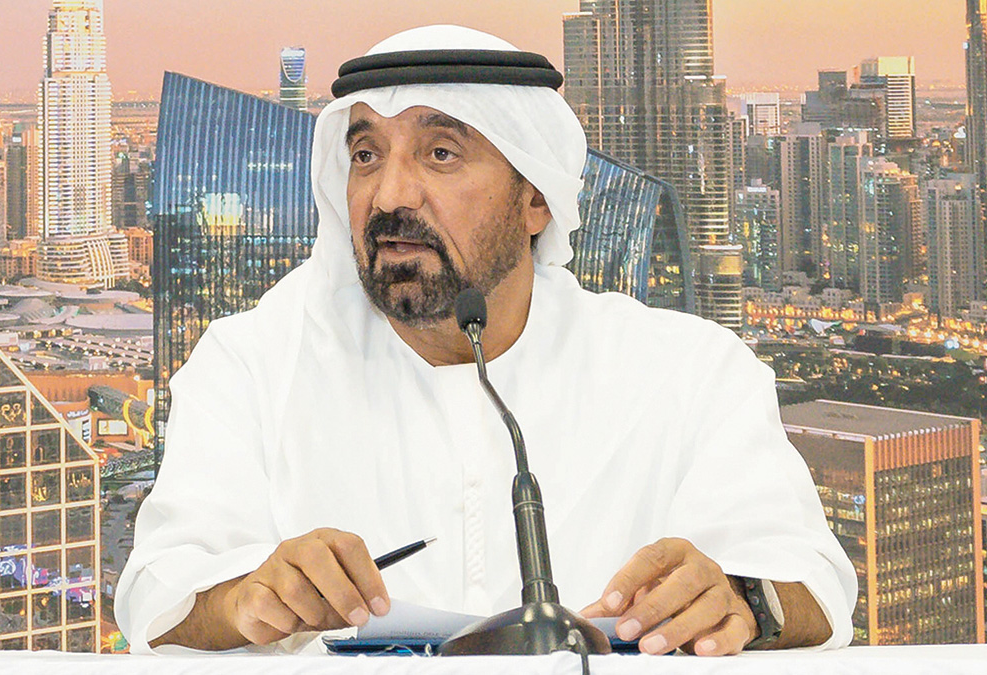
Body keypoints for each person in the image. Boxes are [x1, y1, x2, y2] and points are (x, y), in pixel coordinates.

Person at [117, 25, 857, 656]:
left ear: (535, 197)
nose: (390, 194)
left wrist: (742, 599)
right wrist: (243, 597)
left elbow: (817, 589)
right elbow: (157, 597)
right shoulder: (251, 364)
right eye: (367, 155)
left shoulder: (689, 370)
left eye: (440, 153)